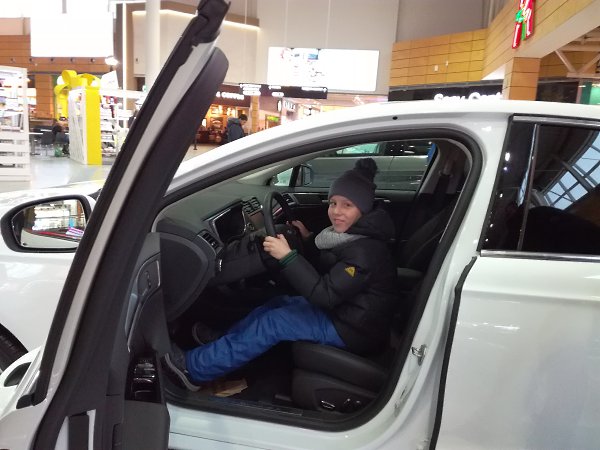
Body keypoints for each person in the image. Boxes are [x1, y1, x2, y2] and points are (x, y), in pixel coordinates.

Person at [163, 158, 399, 391]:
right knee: (278, 303)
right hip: (346, 311)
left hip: (353, 329)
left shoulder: (365, 252)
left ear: (363, 209)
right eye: (333, 203)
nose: (336, 212)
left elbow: (324, 295)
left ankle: (193, 369)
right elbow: (333, 268)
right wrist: (307, 239)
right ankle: (221, 342)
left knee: (274, 323)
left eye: (347, 205)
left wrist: (287, 256)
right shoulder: (354, 236)